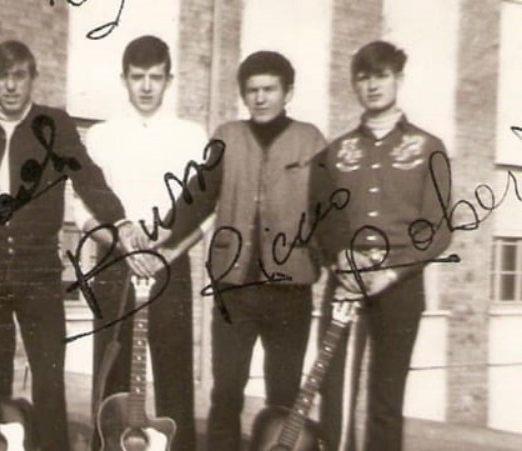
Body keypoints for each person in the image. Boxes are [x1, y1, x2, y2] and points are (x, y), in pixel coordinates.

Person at [0, 40, 146, 451]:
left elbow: (88, 177)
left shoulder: (55, 124)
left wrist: (118, 219)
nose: (10, 87)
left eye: (19, 76)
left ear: (32, 79)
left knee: (49, 383)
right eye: (2, 77)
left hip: (40, 277)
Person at [163, 51, 326, 450]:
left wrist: (323, 259)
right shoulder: (228, 136)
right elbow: (198, 196)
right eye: (251, 90)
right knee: (227, 388)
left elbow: (327, 209)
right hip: (234, 290)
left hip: (290, 290)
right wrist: (164, 238)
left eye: (269, 89)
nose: (260, 97)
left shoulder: (311, 139)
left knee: (284, 395)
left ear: (288, 91)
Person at [309, 40, 452, 451]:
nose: (373, 85)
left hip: (400, 289)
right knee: (334, 394)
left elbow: (439, 228)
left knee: (386, 401)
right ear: (354, 84)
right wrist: (342, 263)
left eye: (382, 75)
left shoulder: (429, 147)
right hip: (346, 285)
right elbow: (320, 220)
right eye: (364, 76)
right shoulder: (335, 152)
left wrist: (390, 271)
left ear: (399, 79)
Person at [72, 35, 208, 451]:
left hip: (170, 266)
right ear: (123, 79)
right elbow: (82, 213)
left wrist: (167, 254)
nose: (146, 86)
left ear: (169, 79)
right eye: (137, 77)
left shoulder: (191, 134)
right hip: (114, 268)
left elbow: (205, 211)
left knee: (173, 376)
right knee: (112, 377)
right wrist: (125, 248)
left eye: (155, 77)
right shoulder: (100, 135)